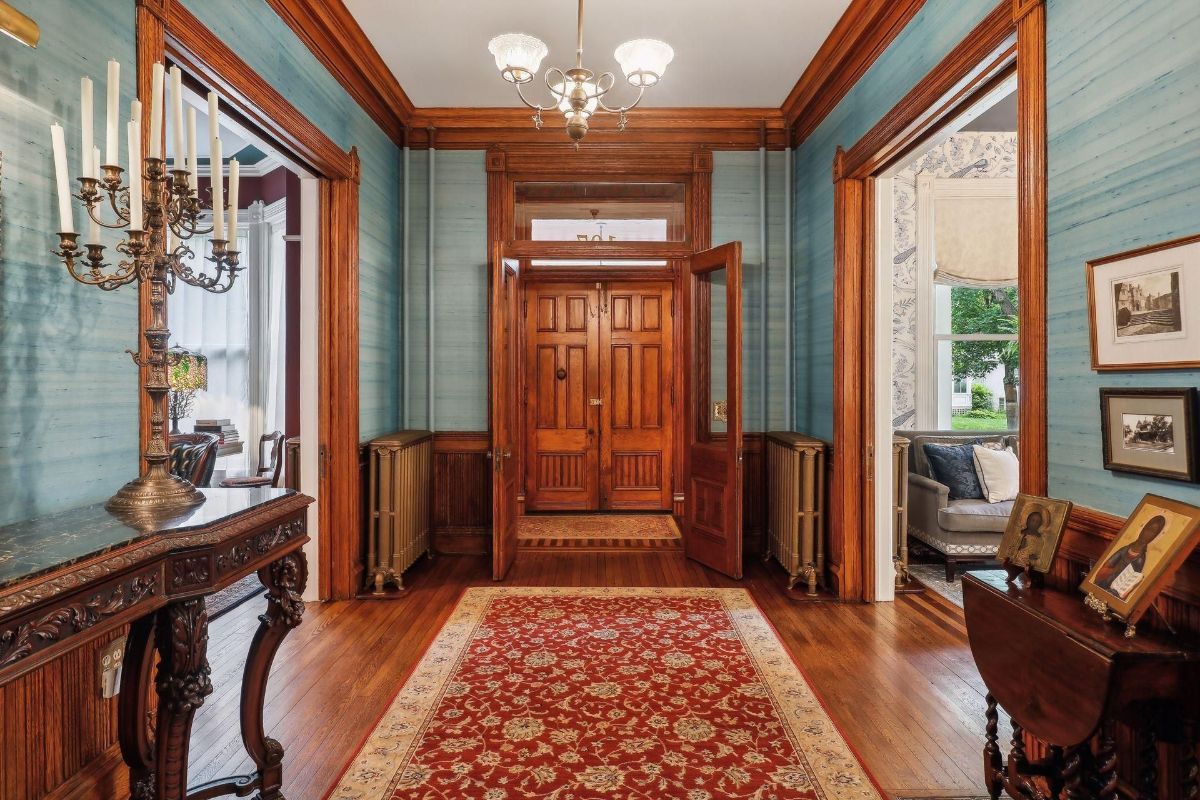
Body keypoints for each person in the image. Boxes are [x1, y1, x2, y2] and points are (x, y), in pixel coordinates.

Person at [1091, 514, 1168, 599]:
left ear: (1155, 536)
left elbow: (1130, 581)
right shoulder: (1125, 548)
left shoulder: (1140, 559)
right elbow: (1107, 565)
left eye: (1152, 532)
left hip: (1117, 588)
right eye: (1147, 529)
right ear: (1143, 528)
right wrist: (1108, 572)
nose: (1147, 533)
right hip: (1106, 579)